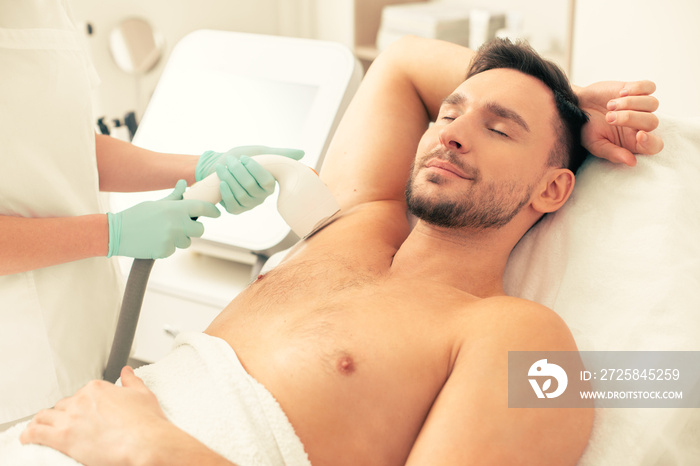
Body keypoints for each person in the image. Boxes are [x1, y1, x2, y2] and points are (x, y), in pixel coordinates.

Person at [18, 35, 662, 465]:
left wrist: (150, 445)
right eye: (447, 114)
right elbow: (403, 64)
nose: (453, 136)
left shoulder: (520, 340)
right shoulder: (355, 222)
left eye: (498, 128)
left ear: (552, 188)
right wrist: (572, 102)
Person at [0, 0, 301, 429]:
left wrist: (202, 167)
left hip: (86, 337)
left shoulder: (49, 11)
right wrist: (112, 233)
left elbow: (65, 146)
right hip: (13, 375)